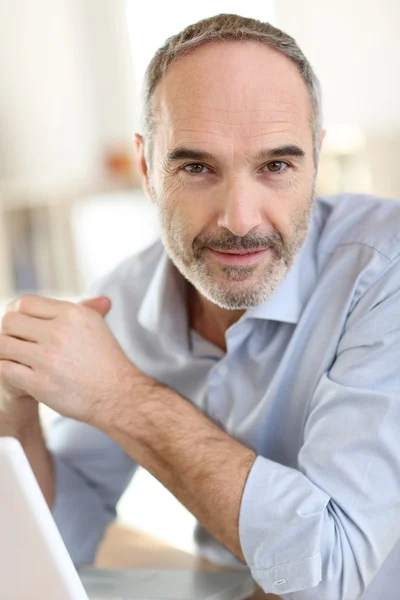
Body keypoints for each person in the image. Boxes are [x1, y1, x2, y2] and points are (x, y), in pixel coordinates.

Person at [0, 13, 399, 600]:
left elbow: (327, 579)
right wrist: (16, 413)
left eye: (276, 165)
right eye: (195, 167)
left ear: (315, 159)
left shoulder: (384, 276)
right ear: (146, 168)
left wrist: (121, 397)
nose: (239, 219)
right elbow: (59, 546)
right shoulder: (126, 296)